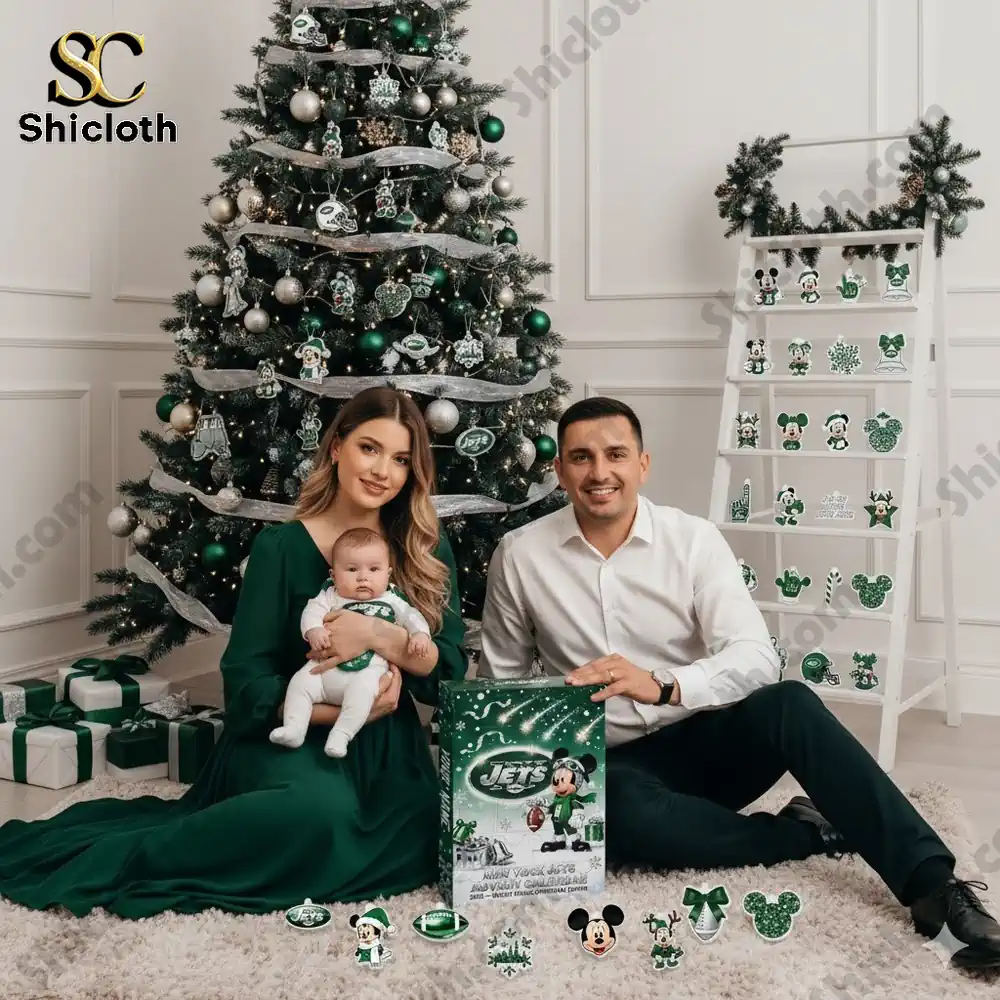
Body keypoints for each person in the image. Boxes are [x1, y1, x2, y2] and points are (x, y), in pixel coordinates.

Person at [478, 395, 1000, 971]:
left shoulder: (693, 540)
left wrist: (664, 684)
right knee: (617, 819)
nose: (599, 473)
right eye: (581, 457)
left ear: (643, 465)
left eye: (615, 455)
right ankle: (805, 835)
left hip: (705, 739)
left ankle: (934, 888)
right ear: (559, 470)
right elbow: (501, 684)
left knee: (791, 703)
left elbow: (755, 657)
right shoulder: (520, 554)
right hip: (606, 763)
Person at [0, 387, 467, 918]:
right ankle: (151, 857)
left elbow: (447, 668)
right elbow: (245, 682)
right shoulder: (281, 549)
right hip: (289, 735)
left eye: (402, 459)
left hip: (387, 745)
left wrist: (378, 636)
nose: (384, 470)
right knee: (321, 816)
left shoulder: (424, 546)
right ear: (336, 448)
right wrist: (334, 711)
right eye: (370, 448)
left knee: (429, 833)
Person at [271, 526, 433, 758]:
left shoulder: (392, 599)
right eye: (352, 569)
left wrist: (420, 635)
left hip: (366, 671)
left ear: (388, 574)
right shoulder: (330, 596)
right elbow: (312, 611)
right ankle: (294, 728)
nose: (363, 577)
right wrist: (314, 630)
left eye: (374, 569)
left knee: (364, 693)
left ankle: (341, 734)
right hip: (322, 670)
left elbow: (412, 617)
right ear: (333, 574)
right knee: (299, 684)